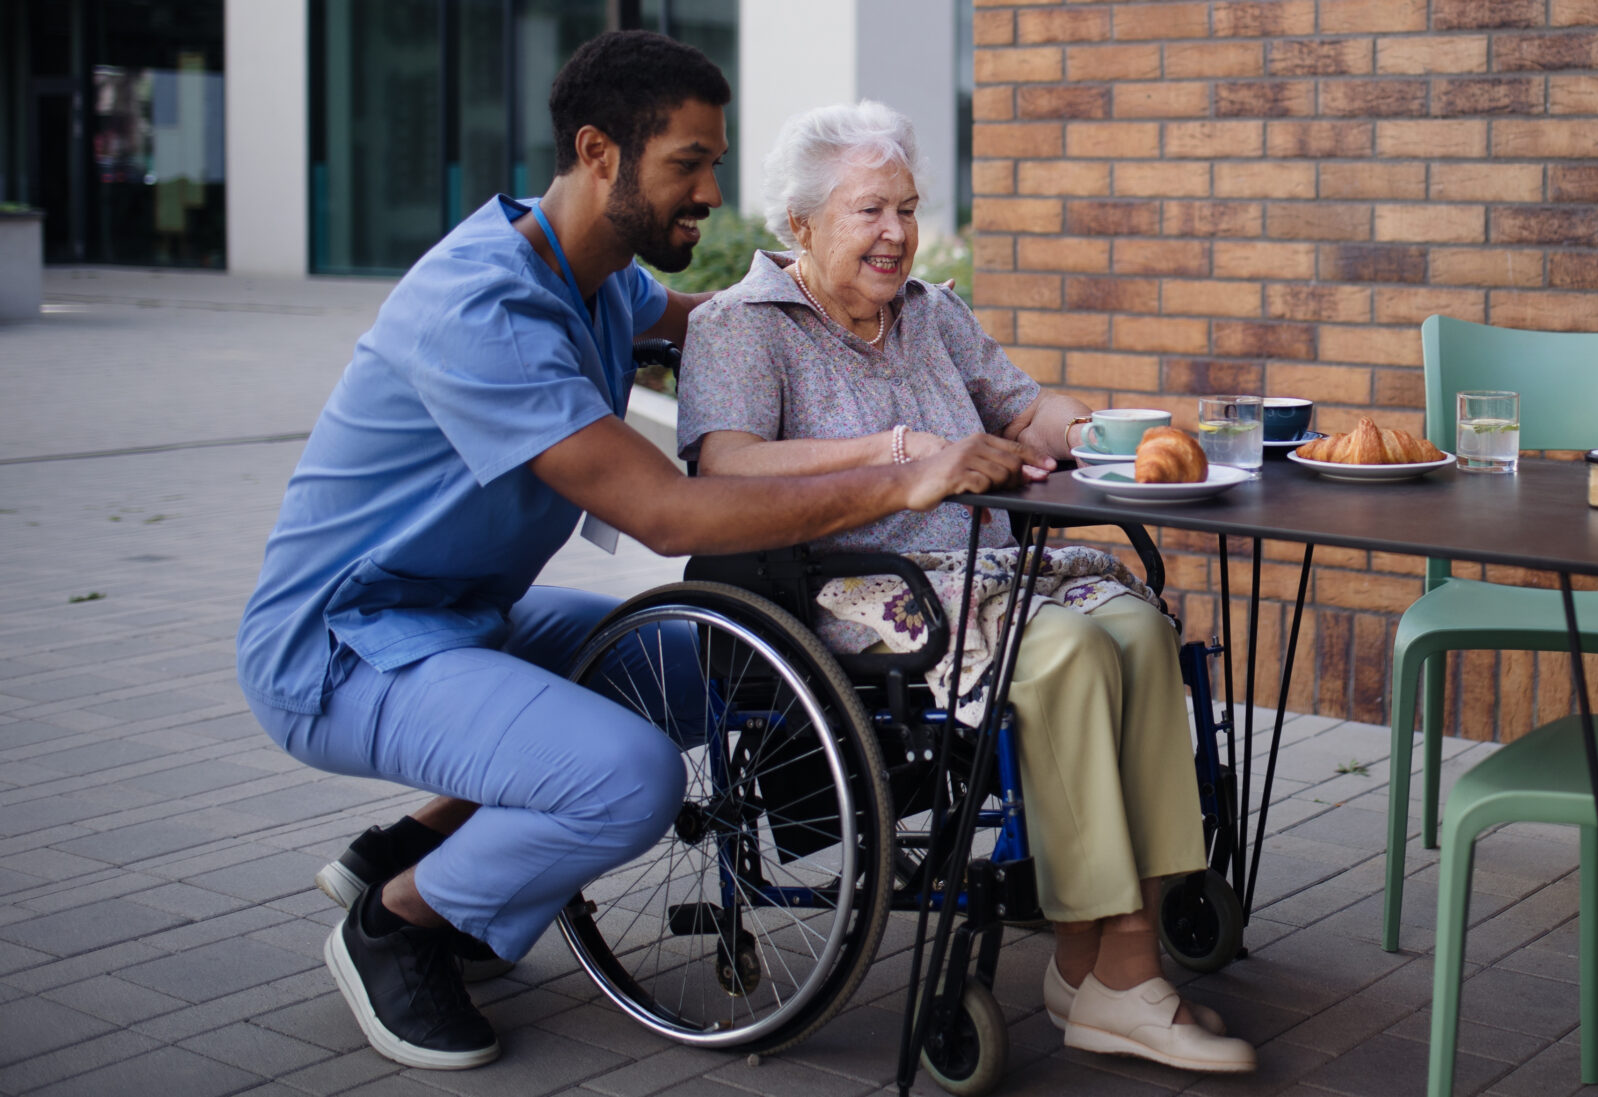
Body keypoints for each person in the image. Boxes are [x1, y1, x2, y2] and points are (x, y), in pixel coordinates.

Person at [235, 34, 1049, 1072]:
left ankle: (412, 848)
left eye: (714, 162)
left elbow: (741, 323)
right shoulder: (486, 307)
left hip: (466, 621)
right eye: (689, 163)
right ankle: (399, 923)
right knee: (628, 777)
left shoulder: (599, 277)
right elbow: (669, 512)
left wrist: (852, 286)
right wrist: (902, 474)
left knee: (741, 666)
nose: (712, 190)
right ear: (599, 152)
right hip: (342, 645)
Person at [676, 101, 1256, 1075]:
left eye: (905, 207)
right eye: (870, 210)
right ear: (801, 225)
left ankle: (1097, 965)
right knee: (1068, 650)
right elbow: (725, 465)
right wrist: (904, 452)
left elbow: (1027, 409)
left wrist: (1112, 434)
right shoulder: (744, 327)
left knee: (1137, 626)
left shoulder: (933, 313)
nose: (896, 232)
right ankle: (1119, 971)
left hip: (988, 568)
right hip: (854, 584)